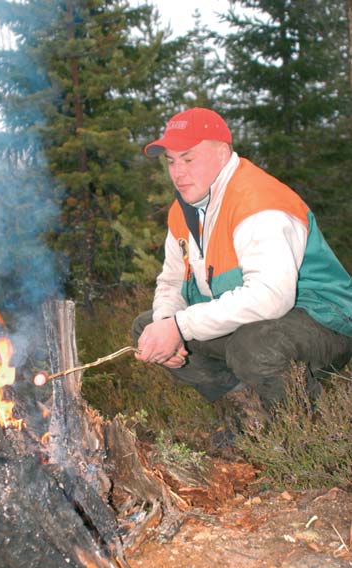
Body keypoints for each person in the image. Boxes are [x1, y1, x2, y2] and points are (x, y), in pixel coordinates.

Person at [132, 107, 352, 412]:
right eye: (170, 160)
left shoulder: (259, 201)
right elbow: (171, 281)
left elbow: (271, 297)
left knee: (253, 346)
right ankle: (249, 412)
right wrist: (166, 325)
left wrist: (180, 328)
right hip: (259, 323)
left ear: (222, 154)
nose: (177, 172)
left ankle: (308, 428)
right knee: (148, 327)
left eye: (188, 158)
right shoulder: (184, 210)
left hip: (325, 321)